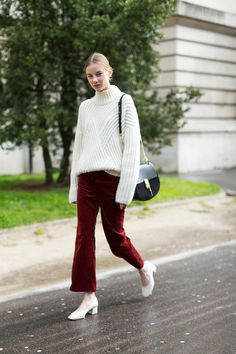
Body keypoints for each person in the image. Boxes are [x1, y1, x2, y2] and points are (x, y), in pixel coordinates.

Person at [68, 52, 156, 321]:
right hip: (87, 179)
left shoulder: (124, 102)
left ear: (110, 71)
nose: (95, 79)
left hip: (113, 179)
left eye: (99, 73)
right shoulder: (85, 108)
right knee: (84, 236)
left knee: (115, 238)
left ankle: (143, 267)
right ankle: (88, 296)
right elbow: (79, 148)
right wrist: (74, 187)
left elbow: (131, 148)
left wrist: (126, 189)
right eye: (90, 76)